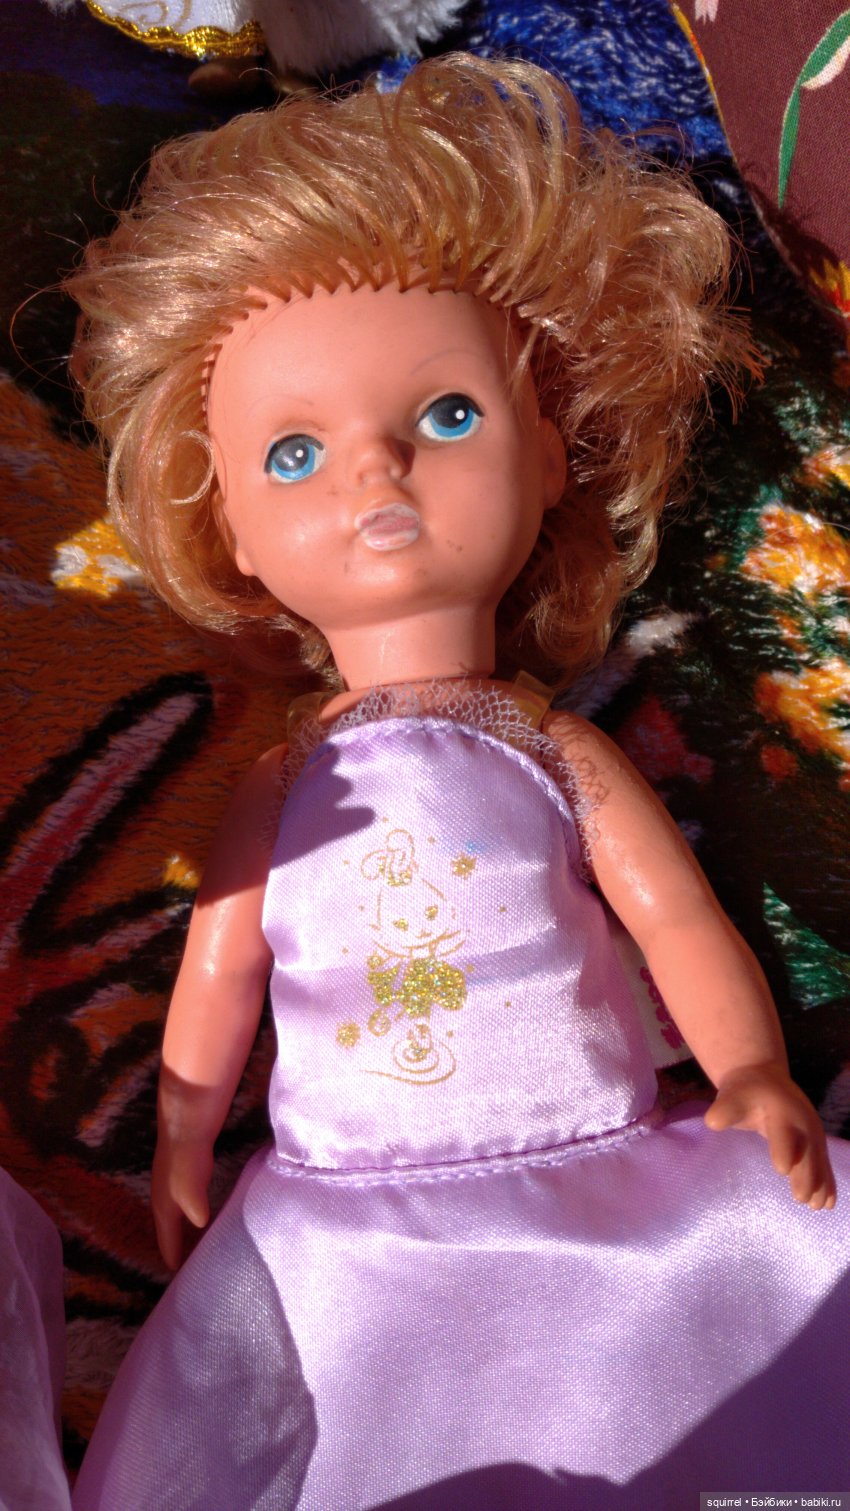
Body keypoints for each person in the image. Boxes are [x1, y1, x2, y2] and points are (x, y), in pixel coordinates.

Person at [67, 55, 848, 1511]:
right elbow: (223, 962)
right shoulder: (286, 778)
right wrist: (178, 1131)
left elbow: (674, 920)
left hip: (604, 1184)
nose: (371, 472)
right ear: (227, 526)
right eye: (293, 452)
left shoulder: (550, 747)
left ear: (552, 450)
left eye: (443, 419)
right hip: (344, 1230)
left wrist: (750, 1070)